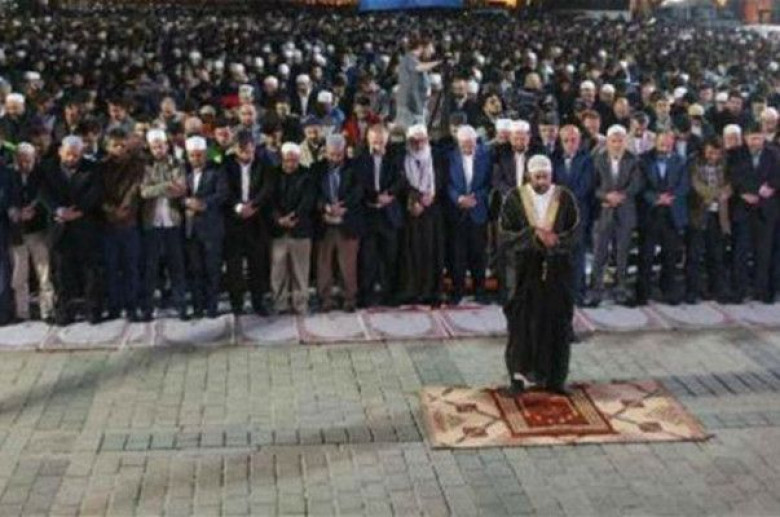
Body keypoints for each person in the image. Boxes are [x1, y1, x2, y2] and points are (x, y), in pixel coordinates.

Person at [498, 154, 580, 397]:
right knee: (521, 327)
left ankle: (556, 379)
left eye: (546, 177)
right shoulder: (514, 198)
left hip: (557, 273)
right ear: (528, 176)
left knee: (557, 325)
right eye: (538, 177)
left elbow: (576, 233)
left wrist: (556, 241)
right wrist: (534, 236)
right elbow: (505, 236)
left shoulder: (564, 198)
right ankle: (518, 380)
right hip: (525, 274)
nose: (542, 181)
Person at [40, 136, 103, 325]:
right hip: (59, 227)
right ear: (60, 152)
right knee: (61, 273)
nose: (71, 159)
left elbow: (96, 192)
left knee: (90, 271)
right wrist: (58, 210)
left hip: (84, 226)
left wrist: (79, 211)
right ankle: (64, 311)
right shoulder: (47, 168)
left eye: (76, 155)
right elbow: (43, 192)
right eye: (68, 154)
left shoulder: (92, 168)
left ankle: (93, 310)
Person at [588, 125, 643, 306]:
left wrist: (620, 196)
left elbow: (636, 184)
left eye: (620, 141)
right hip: (603, 212)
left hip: (625, 212)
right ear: (608, 142)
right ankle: (596, 290)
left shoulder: (633, 160)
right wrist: (606, 196)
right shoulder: (597, 159)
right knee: (599, 253)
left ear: (625, 142)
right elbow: (592, 185)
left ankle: (620, 289)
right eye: (614, 141)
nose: (617, 144)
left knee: (622, 254)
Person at [139, 129, 189, 321]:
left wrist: (157, 187)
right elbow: (144, 192)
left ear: (167, 145)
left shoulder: (177, 163)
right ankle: (148, 308)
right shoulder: (145, 166)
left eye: (161, 146)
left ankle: (181, 305)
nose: (158, 150)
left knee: (177, 267)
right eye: (154, 147)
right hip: (151, 223)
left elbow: (181, 189)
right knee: (150, 268)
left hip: (172, 222)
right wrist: (166, 185)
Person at [635, 131, 689, 305]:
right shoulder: (643, 159)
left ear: (673, 143)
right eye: (662, 142)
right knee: (646, 255)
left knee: (670, 255)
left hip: (672, 213)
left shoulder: (681, 160)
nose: (665, 145)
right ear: (655, 142)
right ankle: (642, 293)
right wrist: (656, 198)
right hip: (650, 212)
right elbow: (640, 185)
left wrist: (670, 198)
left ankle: (668, 290)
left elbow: (684, 185)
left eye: (668, 142)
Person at [730, 123, 780, 303]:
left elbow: (777, 176)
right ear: (745, 138)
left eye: (758, 138)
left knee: (764, 254)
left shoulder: (774, 154)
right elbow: (735, 177)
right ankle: (739, 291)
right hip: (744, 209)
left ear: (763, 137)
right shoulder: (737, 154)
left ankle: (762, 291)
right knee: (741, 253)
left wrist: (771, 187)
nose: (755, 142)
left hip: (767, 211)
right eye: (752, 138)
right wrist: (752, 190)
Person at [223, 131, 272, 315]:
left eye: (250, 151)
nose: (247, 155)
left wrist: (254, 205)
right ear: (235, 149)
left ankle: (258, 302)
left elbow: (267, 188)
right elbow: (225, 189)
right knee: (234, 265)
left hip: (256, 220)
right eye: (243, 151)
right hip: (234, 221)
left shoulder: (263, 163)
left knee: (257, 264)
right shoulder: (227, 165)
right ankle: (237, 303)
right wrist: (238, 207)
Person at [356, 124, 404, 307]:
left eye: (381, 141)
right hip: (368, 213)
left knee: (390, 257)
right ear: (368, 139)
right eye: (375, 141)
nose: (378, 144)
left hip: (389, 214)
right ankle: (366, 295)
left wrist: (389, 195)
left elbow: (401, 179)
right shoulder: (360, 158)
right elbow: (358, 183)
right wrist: (375, 197)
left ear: (387, 140)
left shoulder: (395, 157)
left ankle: (389, 295)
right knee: (367, 258)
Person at [315, 134, 363, 312]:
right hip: (325, 222)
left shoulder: (355, 167)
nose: (335, 158)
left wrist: (343, 207)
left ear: (344, 152)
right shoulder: (317, 169)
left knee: (348, 264)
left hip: (347, 221)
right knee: (324, 263)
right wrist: (326, 207)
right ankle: (325, 298)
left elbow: (358, 191)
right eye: (332, 154)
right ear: (326, 152)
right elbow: (313, 193)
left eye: (339, 155)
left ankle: (349, 298)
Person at [100, 127, 144, 321]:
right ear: (108, 146)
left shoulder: (137, 164)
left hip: (130, 221)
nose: (119, 149)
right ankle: (114, 306)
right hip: (108, 223)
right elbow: (98, 192)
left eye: (122, 145)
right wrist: (112, 211)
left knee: (131, 266)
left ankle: (132, 306)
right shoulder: (101, 166)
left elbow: (135, 189)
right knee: (111, 267)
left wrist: (125, 209)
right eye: (115, 145)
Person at [398, 124, 443, 306]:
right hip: (409, 210)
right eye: (414, 141)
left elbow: (442, 179)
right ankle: (412, 291)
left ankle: (430, 291)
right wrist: (415, 199)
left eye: (421, 140)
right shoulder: (402, 157)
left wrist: (430, 197)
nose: (418, 144)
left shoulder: (436, 156)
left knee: (430, 252)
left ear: (427, 140)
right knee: (410, 252)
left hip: (432, 211)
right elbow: (400, 182)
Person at [268, 143, 315, 315]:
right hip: (278, 229)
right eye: (287, 160)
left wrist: (294, 217)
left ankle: (300, 304)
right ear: (282, 158)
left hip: (300, 229)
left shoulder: (307, 175)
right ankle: (279, 303)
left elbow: (308, 200)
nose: (290, 164)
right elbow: (269, 200)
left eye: (294, 160)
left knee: (300, 271)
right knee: (278, 270)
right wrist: (279, 219)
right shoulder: (273, 174)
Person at [9, 143, 54, 321]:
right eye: (21, 161)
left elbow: (48, 199)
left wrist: (35, 210)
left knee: (44, 272)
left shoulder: (42, 175)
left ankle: (47, 310)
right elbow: (5, 198)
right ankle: (22, 312)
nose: (25, 164)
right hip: (17, 232)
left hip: (38, 230)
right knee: (19, 275)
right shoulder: (8, 175)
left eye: (28, 161)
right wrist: (14, 211)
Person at [447, 124, 491, 304]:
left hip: (477, 210)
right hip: (457, 212)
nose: (468, 147)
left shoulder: (485, 156)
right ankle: (458, 291)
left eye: (471, 143)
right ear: (458, 143)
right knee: (458, 254)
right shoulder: (450, 157)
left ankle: (480, 291)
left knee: (478, 254)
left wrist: (476, 198)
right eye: (464, 144)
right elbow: (447, 183)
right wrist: (458, 198)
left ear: (475, 142)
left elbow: (489, 183)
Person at [184, 135, 227, 318]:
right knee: (195, 270)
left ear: (205, 154)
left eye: (199, 155)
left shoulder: (217, 170)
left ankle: (212, 306)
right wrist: (186, 202)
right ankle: (198, 306)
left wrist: (203, 204)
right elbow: (179, 194)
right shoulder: (184, 172)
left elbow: (222, 194)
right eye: (192, 155)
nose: (196, 159)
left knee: (212, 269)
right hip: (191, 229)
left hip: (211, 228)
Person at [552, 125, 594, 307]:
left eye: (573, 140)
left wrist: (567, 201)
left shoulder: (587, 159)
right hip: (557, 215)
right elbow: (551, 184)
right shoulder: (553, 159)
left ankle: (578, 293)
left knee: (578, 255)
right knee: (558, 254)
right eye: (566, 140)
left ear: (579, 141)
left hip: (579, 213)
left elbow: (586, 185)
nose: (570, 144)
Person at [685, 138, 731, 304]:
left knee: (716, 254)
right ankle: (692, 290)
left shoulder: (725, 163)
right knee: (694, 255)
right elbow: (695, 185)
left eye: (717, 153)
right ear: (704, 150)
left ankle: (717, 289)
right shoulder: (694, 163)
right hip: (698, 213)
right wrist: (716, 194)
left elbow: (730, 183)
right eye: (710, 152)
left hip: (718, 215)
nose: (713, 156)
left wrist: (725, 193)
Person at [395, 37, 439, 129]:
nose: (432, 52)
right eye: (430, 49)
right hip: (410, 107)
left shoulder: (415, 60)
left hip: (418, 106)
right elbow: (418, 67)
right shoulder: (409, 58)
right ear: (422, 47)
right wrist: (439, 62)